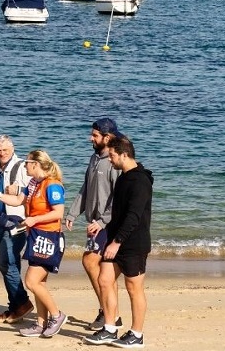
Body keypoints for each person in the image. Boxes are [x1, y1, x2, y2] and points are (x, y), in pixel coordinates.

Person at [0, 149, 67, 339]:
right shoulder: (33, 183)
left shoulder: (52, 185)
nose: (24, 165)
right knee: (40, 283)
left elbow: (58, 213)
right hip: (36, 236)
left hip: (49, 237)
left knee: (31, 281)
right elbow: (18, 200)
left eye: (27, 163)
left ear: (35, 164)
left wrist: (34, 220)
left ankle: (57, 315)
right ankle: (40, 323)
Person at [83, 136, 153, 348]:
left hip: (134, 244)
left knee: (134, 289)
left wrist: (117, 242)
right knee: (105, 280)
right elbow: (116, 212)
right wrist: (104, 229)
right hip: (114, 240)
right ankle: (110, 328)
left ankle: (137, 334)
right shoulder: (123, 177)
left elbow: (134, 216)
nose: (110, 160)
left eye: (112, 156)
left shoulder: (140, 180)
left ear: (124, 154)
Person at [65, 118, 124, 331]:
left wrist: (102, 221)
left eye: (95, 135)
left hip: (107, 224)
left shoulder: (115, 162)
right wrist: (72, 213)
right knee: (100, 267)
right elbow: (86, 188)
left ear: (107, 138)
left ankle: (107, 311)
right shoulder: (95, 158)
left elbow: (118, 198)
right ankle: (111, 313)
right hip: (95, 223)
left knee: (91, 262)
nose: (91, 138)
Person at [0, 134, 33, 325]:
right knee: (10, 264)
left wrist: (19, 189)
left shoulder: (22, 166)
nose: (1, 153)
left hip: (18, 222)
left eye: (4, 149)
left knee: (5, 262)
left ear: (12, 149)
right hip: (1, 222)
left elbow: (33, 190)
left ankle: (22, 304)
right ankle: (15, 307)